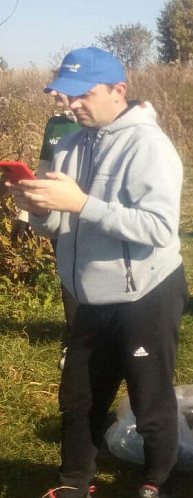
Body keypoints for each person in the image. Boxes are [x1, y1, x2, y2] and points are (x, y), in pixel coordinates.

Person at [8, 47, 187, 498]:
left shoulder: (149, 146)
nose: (72, 106)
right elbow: (59, 225)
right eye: (66, 97)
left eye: (83, 95)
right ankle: (75, 492)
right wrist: (41, 209)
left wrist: (82, 203)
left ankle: (157, 488)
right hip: (87, 293)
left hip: (146, 292)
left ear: (118, 91)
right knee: (80, 398)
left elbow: (159, 230)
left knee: (150, 399)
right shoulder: (68, 144)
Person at [9, 88, 81, 368]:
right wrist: (25, 213)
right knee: (67, 276)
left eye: (58, 90)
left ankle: (96, 340)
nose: (53, 96)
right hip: (53, 213)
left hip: (82, 211)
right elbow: (41, 170)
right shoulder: (54, 124)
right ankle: (74, 339)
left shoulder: (91, 124)